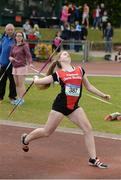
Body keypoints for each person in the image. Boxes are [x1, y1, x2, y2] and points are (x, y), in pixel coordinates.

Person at [21, 51, 110, 169]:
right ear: (59, 60)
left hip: (74, 107)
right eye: (63, 54)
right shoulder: (58, 74)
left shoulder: (80, 70)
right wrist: (36, 78)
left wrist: (102, 95)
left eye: (67, 53)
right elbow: (38, 82)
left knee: (88, 129)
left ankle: (93, 159)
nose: (66, 54)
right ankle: (25, 139)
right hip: (60, 106)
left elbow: (88, 86)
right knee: (47, 132)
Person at [9, 31, 33, 105]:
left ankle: (21, 99)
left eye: (20, 36)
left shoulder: (25, 45)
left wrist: (30, 63)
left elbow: (28, 55)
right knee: (16, 84)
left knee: (21, 84)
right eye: (17, 36)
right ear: (15, 37)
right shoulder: (13, 46)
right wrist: (10, 58)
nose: (19, 37)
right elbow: (10, 55)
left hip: (22, 67)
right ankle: (18, 99)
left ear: (22, 37)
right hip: (15, 67)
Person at [0, 24, 17, 104]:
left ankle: (12, 97)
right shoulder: (3, 38)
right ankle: (0, 97)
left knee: (12, 81)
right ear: (5, 30)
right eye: (8, 29)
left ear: (13, 30)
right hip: (3, 64)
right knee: (2, 81)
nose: (9, 31)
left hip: (11, 65)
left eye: (11, 29)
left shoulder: (16, 39)